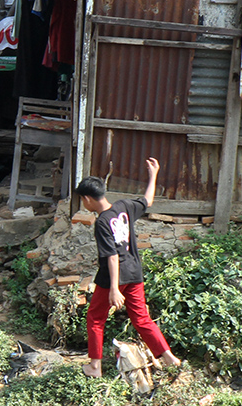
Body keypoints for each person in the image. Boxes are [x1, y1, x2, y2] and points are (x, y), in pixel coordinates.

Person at [75, 159, 181, 378]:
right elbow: (148, 201)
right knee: (142, 318)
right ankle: (169, 358)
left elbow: (112, 256)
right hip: (135, 273)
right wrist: (153, 174)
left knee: (95, 318)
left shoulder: (103, 221)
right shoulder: (124, 207)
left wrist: (114, 288)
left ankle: (94, 367)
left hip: (112, 278)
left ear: (87, 199)